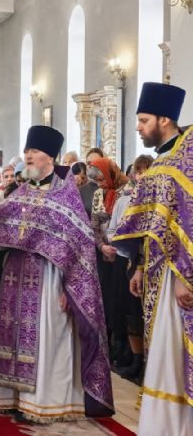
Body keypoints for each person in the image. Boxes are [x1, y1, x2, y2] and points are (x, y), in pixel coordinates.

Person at [0, 125, 114, 423]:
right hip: (14, 278)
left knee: (47, 338)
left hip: (50, 280)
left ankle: (42, 403)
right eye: (27, 151)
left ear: (50, 157)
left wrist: (70, 288)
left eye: (35, 151)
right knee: (12, 335)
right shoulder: (21, 193)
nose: (28, 156)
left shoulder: (66, 196)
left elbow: (80, 250)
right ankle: (13, 397)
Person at [113, 82, 192, 436]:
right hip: (158, 275)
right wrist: (141, 266)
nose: (138, 127)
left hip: (179, 277)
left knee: (176, 351)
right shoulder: (162, 162)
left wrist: (184, 278)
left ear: (164, 119)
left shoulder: (187, 161)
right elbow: (153, 226)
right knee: (162, 351)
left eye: (144, 120)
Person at [105, 154, 154, 383]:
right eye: (139, 171)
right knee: (131, 313)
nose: (141, 175)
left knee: (148, 315)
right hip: (131, 260)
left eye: (146, 170)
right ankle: (136, 360)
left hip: (152, 261)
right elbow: (113, 230)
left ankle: (149, 363)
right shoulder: (125, 201)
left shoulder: (159, 198)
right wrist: (121, 241)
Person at [87, 157, 133, 366]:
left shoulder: (129, 190)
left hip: (124, 254)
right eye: (98, 182)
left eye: (102, 180)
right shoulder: (99, 193)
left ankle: (127, 350)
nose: (101, 185)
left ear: (111, 174)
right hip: (104, 254)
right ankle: (112, 346)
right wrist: (102, 246)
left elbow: (131, 222)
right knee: (107, 301)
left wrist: (118, 245)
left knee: (122, 302)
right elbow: (94, 225)